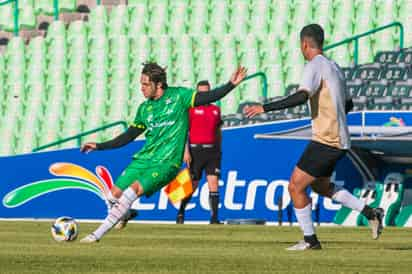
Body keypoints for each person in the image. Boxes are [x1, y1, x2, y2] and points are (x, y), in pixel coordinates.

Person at [244, 24, 383, 251]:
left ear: (305, 44)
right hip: (338, 138)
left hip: (327, 139)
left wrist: (265, 108)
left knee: (295, 186)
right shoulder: (335, 67)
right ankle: (371, 212)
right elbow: (348, 103)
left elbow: (301, 96)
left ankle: (310, 241)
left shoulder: (314, 65)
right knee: (321, 186)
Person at [79, 62, 247, 243]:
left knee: (133, 190)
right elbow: (128, 137)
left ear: (158, 85)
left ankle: (96, 235)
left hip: (167, 162)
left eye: (145, 84)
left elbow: (208, 97)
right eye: (140, 84)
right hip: (144, 159)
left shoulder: (179, 97)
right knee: (111, 196)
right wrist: (99, 146)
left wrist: (231, 84)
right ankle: (125, 214)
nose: (141, 88)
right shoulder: (145, 109)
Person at [176, 80, 223, 224]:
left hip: (213, 152)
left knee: (213, 183)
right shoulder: (190, 110)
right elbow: (183, 132)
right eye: (201, 92)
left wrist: (219, 148)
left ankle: (214, 218)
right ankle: (181, 211)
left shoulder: (216, 110)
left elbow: (218, 130)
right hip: (195, 151)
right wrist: (185, 152)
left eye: (206, 92)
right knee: (192, 185)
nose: (204, 95)